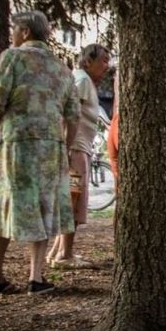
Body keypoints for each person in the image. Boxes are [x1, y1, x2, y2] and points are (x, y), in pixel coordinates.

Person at [0, 11, 79, 294]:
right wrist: (65, 148)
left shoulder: (12, 57)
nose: (12, 35)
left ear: (25, 33)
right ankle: (36, 277)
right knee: (44, 207)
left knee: (6, 204)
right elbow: (74, 116)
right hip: (51, 147)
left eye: (14, 30)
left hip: (17, 142)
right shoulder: (62, 68)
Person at [50, 43, 110, 269]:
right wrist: (65, 145)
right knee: (73, 199)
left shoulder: (83, 80)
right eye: (103, 60)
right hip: (76, 147)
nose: (107, 66)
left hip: (79, 146)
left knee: (72, 197)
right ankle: (65, 255)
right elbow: (68, 113)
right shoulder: (82, 81)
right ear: (88, 61)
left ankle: (58, 251)